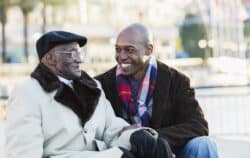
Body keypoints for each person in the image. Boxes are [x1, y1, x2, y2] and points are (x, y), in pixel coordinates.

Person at [5, 31, 174, 158]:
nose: (79, 59)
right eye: (71, 53)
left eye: (80, 53)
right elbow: (23, 154)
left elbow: (110, 127)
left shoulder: (92, 87)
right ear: (50, 59)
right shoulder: (27, 93)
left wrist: (136, 136)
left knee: (156, 146)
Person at [96, 23, 219, 158]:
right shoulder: (100, 84)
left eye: (129, 50)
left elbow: (198, 126)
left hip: (167, 151)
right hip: (126, 153)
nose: (121, 56)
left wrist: (150, 137)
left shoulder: (176, 80)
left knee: (204, 144)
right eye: (118, 49)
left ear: (149, 50)